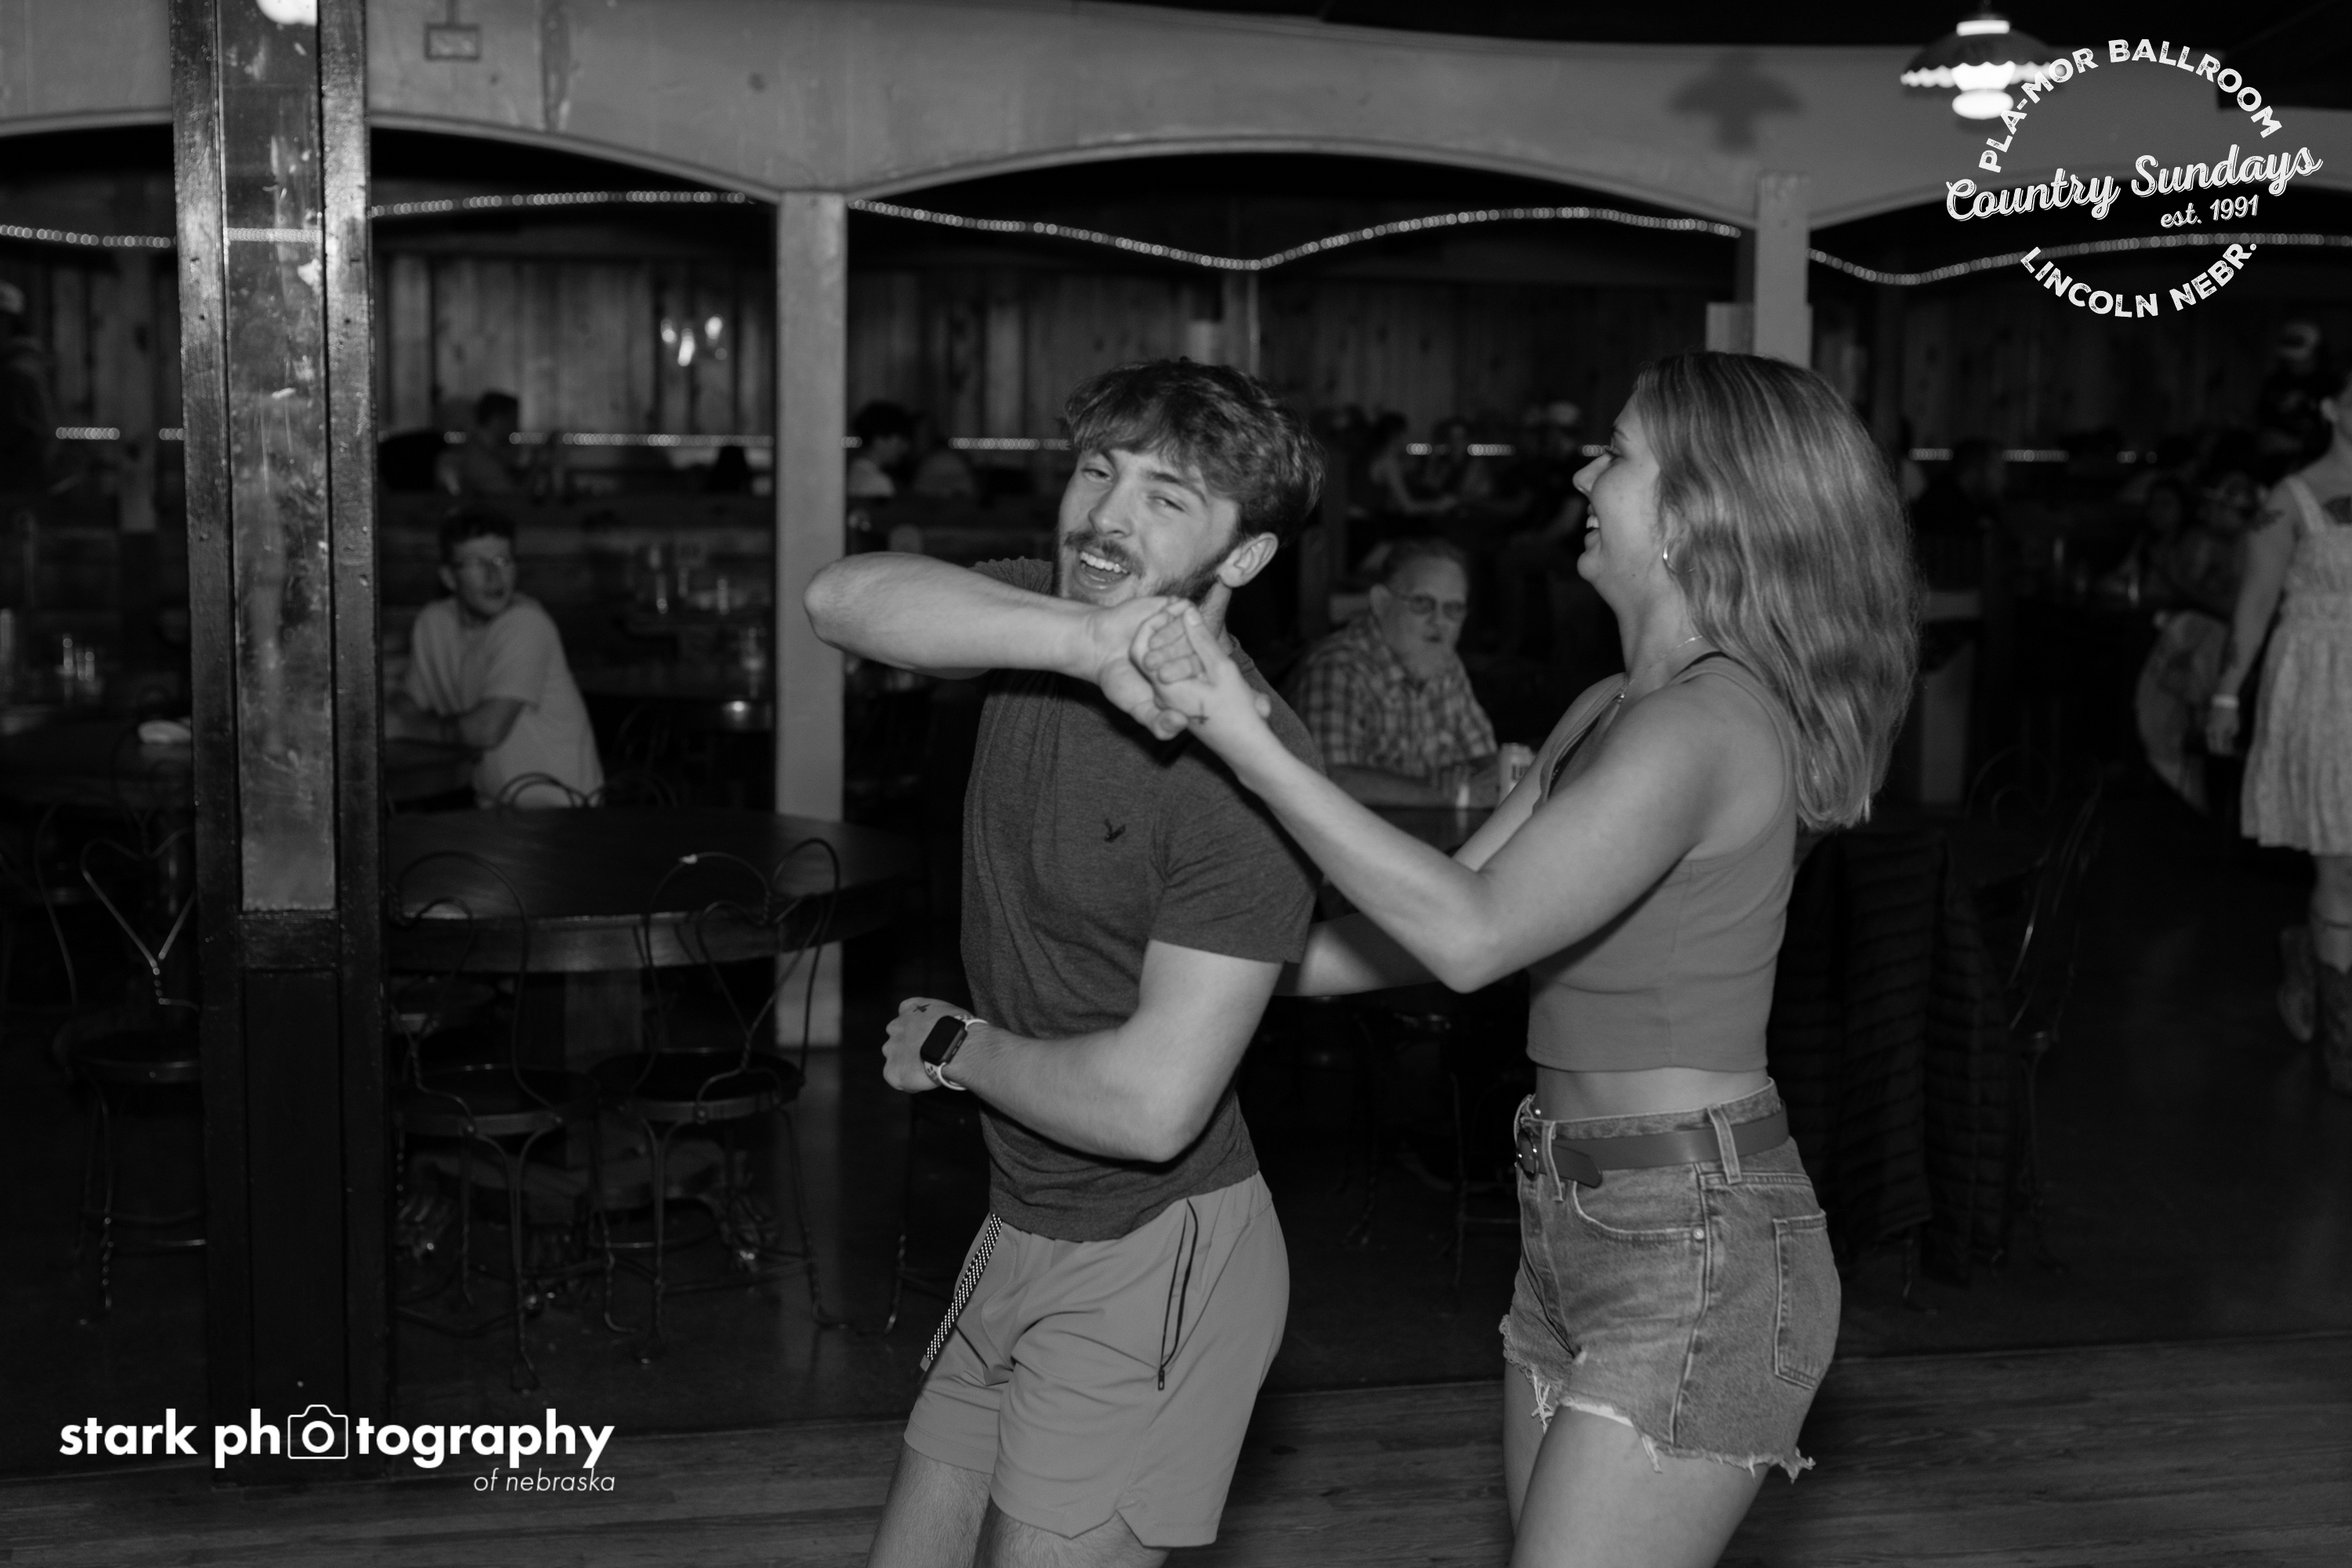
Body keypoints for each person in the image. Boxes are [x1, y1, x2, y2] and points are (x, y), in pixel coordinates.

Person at [1128, 351, 1917, 1568]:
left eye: (1617, 454)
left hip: (1696, 1243)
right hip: (1574, 1218)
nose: (1584, 476)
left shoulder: (1706, 726)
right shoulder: (1608, 708)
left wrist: (1249, 743)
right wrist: (1196, 971)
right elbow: (1426, 921)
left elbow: (1471, 936)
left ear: (1695, 511)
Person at [806, 358, 1324, 1568]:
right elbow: (841, 598)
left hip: (1153, 1249)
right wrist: (1088, 641)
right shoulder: (1044, 621)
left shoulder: (1250, 773)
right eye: (1099, 472)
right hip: (1022, 1220)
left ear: (1246, 555)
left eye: (1165, 497)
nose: (1107, 516)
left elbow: (1152, 1109)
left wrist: (957, 1049)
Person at [2208, 358, 2352, 1091]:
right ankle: (2343, 1041)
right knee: (2340, 864)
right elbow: (2256, 603)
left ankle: (2308, 952)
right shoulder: (2289, 499)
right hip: (2319, 688)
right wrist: (2227, 697)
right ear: (2331, 408)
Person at [390, 506, 604, 808]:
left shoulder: (526, 623)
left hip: (565, 809)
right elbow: (408, 699)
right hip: (494, 809)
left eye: (503, 561)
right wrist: (403, 714)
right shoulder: (433, 622)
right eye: (477, 563)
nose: (494, 576)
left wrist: (404, 727)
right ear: (449, 577)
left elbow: (487, 730)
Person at [1287, 536, 1519, 807]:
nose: (1439, 621)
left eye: (1453, 609)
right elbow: (1328, 778)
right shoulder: (1337, 667)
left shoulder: (1445, 663)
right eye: (1422, 602)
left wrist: (1482, 775)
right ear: (1381, 602)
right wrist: (1445, 794)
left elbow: (1483, 758)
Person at [0, 281, 58, 496]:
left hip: (16, 491)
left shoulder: (17, 372)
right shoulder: (21, 366)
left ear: (7, 322)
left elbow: (39, 435)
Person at [434, 390, 543, 498]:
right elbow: (511, 499)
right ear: (497, 420)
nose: (516, 428)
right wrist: (538, 465)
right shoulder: (477, 456)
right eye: (513, 420)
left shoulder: (486, 450)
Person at [849, 401, 916, 501]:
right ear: (879, 440)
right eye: (900, 441)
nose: (905, 448)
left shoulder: (853, 471)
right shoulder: (878, 482)